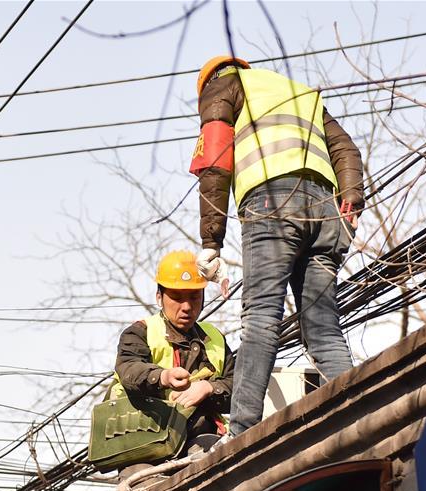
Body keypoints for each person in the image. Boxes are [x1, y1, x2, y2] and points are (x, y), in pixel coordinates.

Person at [188, 56, 364, 436]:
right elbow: (346, 150)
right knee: (324, 330)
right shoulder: (300, 94)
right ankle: (362, 414)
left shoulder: (222, 88)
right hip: (325, 213)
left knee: (261, 320)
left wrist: (210, 241)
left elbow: (215, 161)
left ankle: (240, 433)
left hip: (272, 202)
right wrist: (350, 204)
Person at [111, 250, 234, 450]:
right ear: (159, 297)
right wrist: (163, 377)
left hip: (199, 436)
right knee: (143, 481)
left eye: (194, 297)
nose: (186, 306)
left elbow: (239, 386)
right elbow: (129, 369)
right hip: (142, 439)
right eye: (176, 297)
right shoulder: (140, 333)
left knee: (220, 460)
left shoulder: (216, 338)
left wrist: (209, 388)